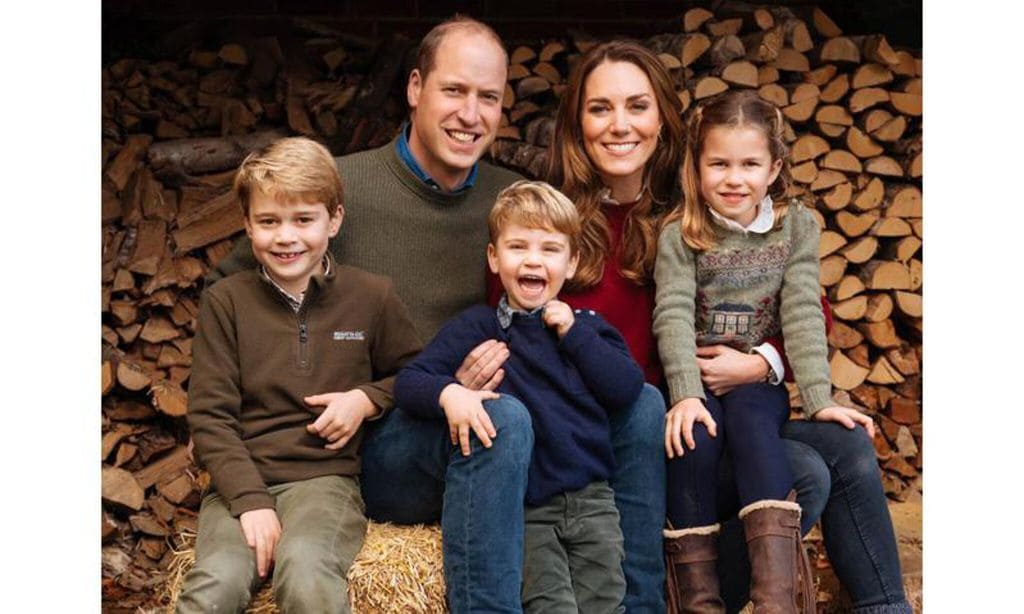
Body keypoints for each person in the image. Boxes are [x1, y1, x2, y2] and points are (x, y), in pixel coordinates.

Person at [207, 17, 666, 614]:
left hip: (494, 425)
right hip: (383, 442)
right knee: (503, 421)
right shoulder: (340, 190)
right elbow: (234, 293)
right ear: (416, 87)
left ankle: (641, 604)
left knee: (641, 406)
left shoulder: (512, 199)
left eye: (488, 98)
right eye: (454, 91)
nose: (470, 115)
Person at [545, 41, 910, 614]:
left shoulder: (703, 201)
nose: (620, 125)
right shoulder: (555, 224)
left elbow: (809, 308)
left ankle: (886, 608)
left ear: (663, 120)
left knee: (846, 445)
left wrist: (762, 361)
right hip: (650, 429)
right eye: (600, 108)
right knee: (806, 473)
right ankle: (718, 600)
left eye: (637, 106)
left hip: (732, 397)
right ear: (576, 121)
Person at [652, 90, 908, 614]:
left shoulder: (796, 227)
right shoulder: (682, 234)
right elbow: (672, 313)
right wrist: (684, 394)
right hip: (697, 384)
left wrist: (818, 399)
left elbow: (803, 314)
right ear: (696, 167)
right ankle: (696, 601)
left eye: (750, 164)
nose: (733, 178)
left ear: (774, 169)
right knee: (693, 440)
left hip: (757, 384)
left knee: (752, 424)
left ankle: (776, 600)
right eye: (718, 164)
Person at [179, 137, 422, 613]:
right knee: (214, 585)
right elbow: (209, 416)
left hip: (325, 481)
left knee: (306, 570)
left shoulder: (371, 296)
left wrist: (366, 399)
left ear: (334, 220)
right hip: (240, 481)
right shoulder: (226, 302)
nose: (286, 237)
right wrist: (251, 502)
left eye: (303, 220)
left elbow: (413, 373)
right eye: (269, 221)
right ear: (248, 226)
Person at [397, 180, 643, 613]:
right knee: (551, 605)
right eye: (518, 247)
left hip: (593, 501)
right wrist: (450, 393)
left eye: (550, 249)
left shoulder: (588, 328)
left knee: (606, 602)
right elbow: (411, 381)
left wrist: (572, 333)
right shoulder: (478, 327)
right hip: (530, 507)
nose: (533, 260)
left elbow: (625, 389)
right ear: (495, 258)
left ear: (572, 263)